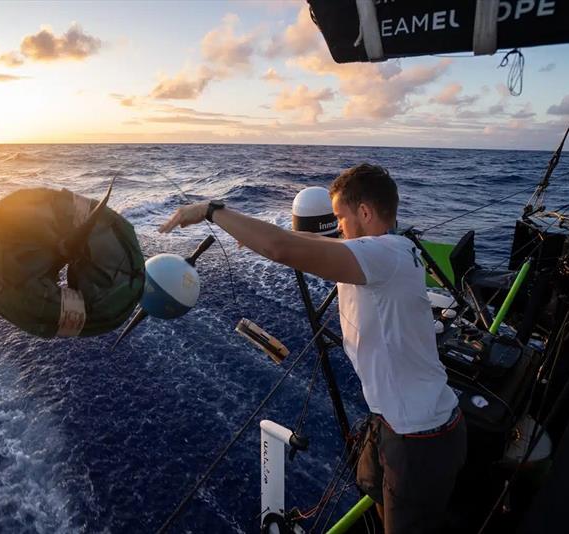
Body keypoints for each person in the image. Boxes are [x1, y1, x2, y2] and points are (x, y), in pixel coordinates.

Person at [159, 163, 466, 533]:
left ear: (365, 213)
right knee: (371, 484)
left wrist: (212, 211)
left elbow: (282, 248)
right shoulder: (397, 249)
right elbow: (319, 242)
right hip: (394, 422)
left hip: (420, 440)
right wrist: (255, 230)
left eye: (341, 217)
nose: (337, 227)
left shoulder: (383, 255)